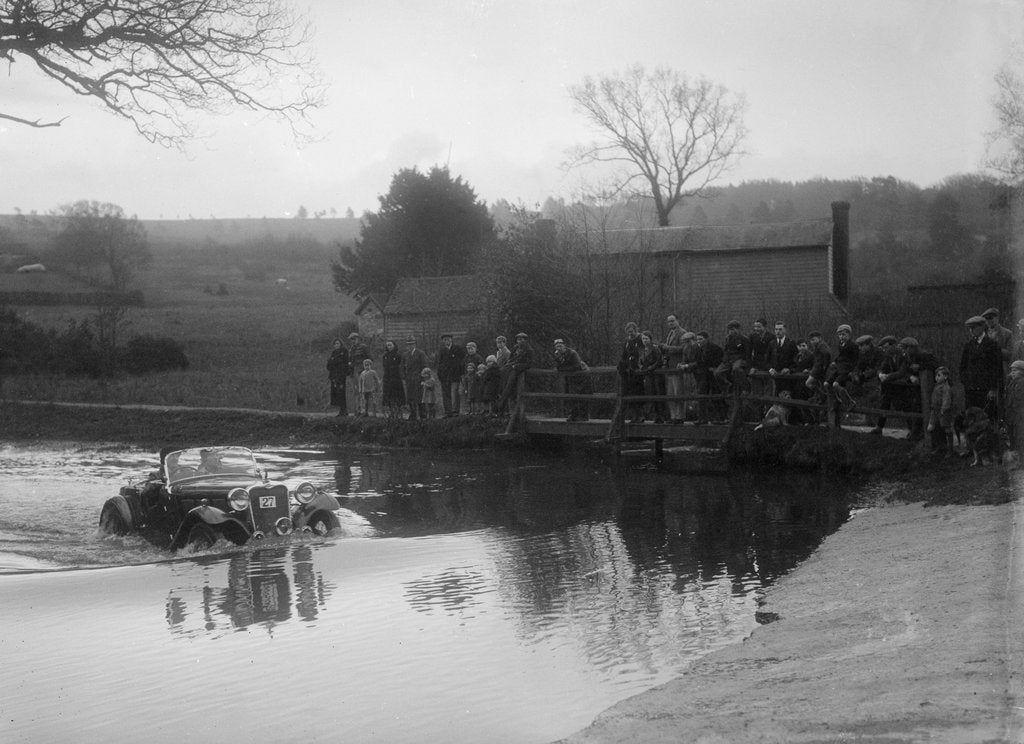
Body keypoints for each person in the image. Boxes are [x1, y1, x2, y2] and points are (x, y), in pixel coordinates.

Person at [960, 315, 1002, 421]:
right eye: (970, 328)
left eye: (973, 328)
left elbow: (996, 368)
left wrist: (992, 389)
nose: (971, 331)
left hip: (985, 389)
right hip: (971, 389)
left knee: (987, 417)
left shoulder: (992, 345)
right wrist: (966, 381)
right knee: (971, 418)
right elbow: (963, 366)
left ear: (982, 327)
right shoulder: (968, 345)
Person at [554, 338, 591, 421]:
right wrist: (559, 360)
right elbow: (559, 367)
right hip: (572, 377)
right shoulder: (558, 354)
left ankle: (583, 416)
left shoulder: (572, 353)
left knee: (582, 395)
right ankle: (573, 415)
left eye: (560, 345)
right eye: (557, 346)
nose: (559, 348)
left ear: (564, 345)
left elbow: (577, 366)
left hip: (582, 375)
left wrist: (565, 369)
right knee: (571, 395)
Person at [497, 332, 534, 413]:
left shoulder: (529, 350)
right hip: (509, 368)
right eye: (518, 339)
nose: (519, 341)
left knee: (509, 388)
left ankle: (504, 408)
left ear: (525, 340)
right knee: (502, 383)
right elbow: (510, 358)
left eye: (521, 339)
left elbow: (529, 364)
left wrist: (516, 366)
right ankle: (502, 408)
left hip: (517, 371)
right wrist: (509, 364)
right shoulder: (515, 348)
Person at [824, 324, 860, 409]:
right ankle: (836, 400)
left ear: (849, 335)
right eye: (840, 335)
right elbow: (841, 356)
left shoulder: (853, 346)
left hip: (846, 369)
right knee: (826, 384)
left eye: (844, 334)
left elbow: (856, 359)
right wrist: (835, 362)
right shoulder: (840, 344)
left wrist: (853, 371)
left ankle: (850, 402)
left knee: (836, 384)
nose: (841, 337)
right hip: (839, 368)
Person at [662, 314, 689, 423]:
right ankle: (673, 416)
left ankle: (680, 416)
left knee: (678, 392)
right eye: (669, 321)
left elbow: (684, 348)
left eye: (672, 321)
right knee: (671, 393)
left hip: (678, 366)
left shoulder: (683, 333)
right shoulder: (670, 334)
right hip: (670, 366)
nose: (671, 323)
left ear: (678, 320)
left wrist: (668, 348)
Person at [617, 322, 645, 422]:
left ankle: (641, 415)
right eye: (628, 332)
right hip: (629, 370)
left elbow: (642, 353)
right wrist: (623, 365)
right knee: (630, 392)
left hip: (638, 370)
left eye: (632, 331)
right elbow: (624, 355)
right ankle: (634, 416)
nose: (630, 334)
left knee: (639, 392)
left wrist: (639, 365)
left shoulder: (641, 339)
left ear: (635, 330)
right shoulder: (627, 341)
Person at [637, 330, 666, 423]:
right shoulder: (642, 350)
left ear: (650, 339)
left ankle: (661, 416)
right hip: (648, 376)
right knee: (650, 394)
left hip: (656, 375)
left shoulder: (655, 348)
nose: (645, 340)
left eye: (646, 338)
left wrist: (651, 367)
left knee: (658, 394)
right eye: (643, 339)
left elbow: (659, 361)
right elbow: (640, 361)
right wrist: (641, 367)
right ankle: (654, 415)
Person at [714, 320, 750, 395]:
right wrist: (725, 359)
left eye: (733, 329)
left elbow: (747, 352)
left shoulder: (744, 339)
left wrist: (745, 362)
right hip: (729, 359)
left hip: (739, 358)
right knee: (717, 373)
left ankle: (745, 387)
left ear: (737, 329)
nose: (731, 331)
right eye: (730, 329)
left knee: (736, 369)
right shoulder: (728, 339)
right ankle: (727, 386)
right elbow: (726, 350)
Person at [435, 334, 466, 417]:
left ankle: (455, 411)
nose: (447, 341)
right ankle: (448, 412)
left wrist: (461, 372)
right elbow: (439, 363)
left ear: (451, 340)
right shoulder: (442, 351)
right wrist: (440, 374)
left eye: (448, 339)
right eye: (445, 340)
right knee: (446, 394)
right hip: (445, 376)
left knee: (455, 393)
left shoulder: (457, 349)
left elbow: (462, 361)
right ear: (443, 341)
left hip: (455, 375)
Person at [927, 366, 954, 456]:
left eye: (939, 375)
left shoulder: (946, 388)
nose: (936, 377)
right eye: (936, 375)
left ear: (945, 377)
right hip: (935, 411)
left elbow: (947, 400)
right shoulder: (936, 386)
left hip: (943, 411)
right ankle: (940, 446)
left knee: (947, 428)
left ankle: (950, 450)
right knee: (931, 428)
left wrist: (944, 409)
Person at [402, 335, 428, 420]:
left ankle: (423, 415)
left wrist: (423, 378)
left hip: (419, 379)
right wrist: (404, 376)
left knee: (420, 398)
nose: (410, 346)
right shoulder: (405, 355)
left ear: (415, 344)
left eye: (412, 344)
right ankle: (413, 414)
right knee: (410, 398)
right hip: (409, 380)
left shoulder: (420, 353)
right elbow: (402, 367)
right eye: (408, 344)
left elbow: (425, 366)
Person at [1005, 360, 1024, 466]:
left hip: (1020, 415)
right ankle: (1016, 460)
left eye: (1015, 370)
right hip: (1012, 415)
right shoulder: (1011, 384)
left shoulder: (1022, 383)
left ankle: (1021, 460)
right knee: (1013, 437)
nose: (1012, 373)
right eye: (1011, 371)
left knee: (1021, 437)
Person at [381, 339, 406, 418]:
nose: (389, 347)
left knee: (397, 395)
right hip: (387, 378)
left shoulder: (398, 355)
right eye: (387, 345)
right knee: (388, 395)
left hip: (396, 378)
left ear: (394, 345)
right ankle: (391, 411)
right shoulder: (385, 356)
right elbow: (384, 366)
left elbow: (400, 365)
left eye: (390, 345)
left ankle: (398, 412)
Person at [326, 338, 350, 417]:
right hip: (334, 376)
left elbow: (345, 363)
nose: (336, 345)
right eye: (335, 344)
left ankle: (344, 410)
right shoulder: (333, 353)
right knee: (336, 394)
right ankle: (341, 410)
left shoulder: (344, 351)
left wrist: (335, 362)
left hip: (341, 375)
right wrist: (333, 362)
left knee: (341, 392)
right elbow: (329, 365)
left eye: (338, 343)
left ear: (341, 344)